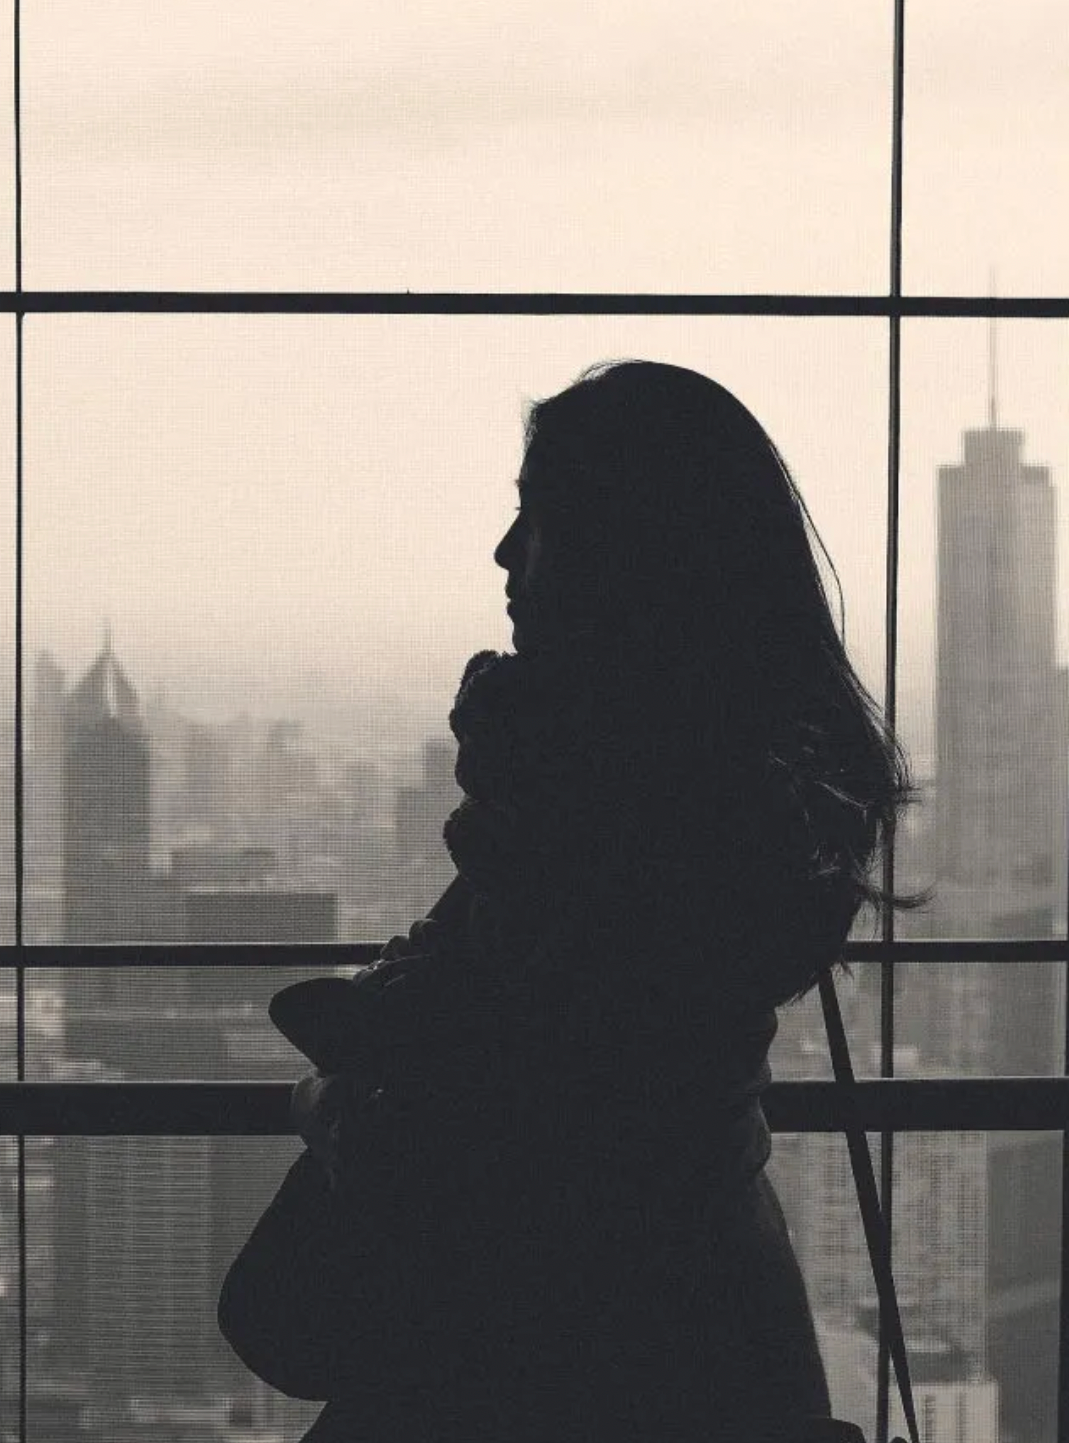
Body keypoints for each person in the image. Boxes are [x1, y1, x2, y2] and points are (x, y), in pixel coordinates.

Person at [217, 360, 934, 1441]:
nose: (506, 555)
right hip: (708, 1332)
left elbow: (512, 1092)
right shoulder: (717, 801)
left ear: (621, 556)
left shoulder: (584, 814)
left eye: (537, 518)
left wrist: (337, 1098)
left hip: (548, 1346)